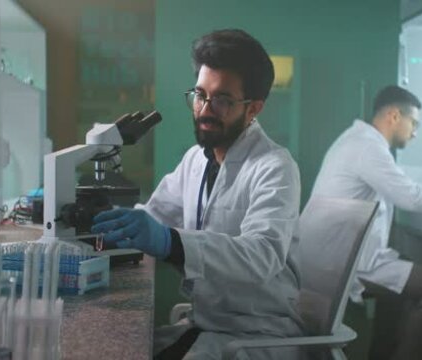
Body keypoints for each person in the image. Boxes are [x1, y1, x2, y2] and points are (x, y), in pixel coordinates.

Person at [91, 29, 303, 360]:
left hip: (257, 334)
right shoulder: (196, 159)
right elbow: (154, 216)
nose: (205, 109)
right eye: (200, 95)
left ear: (253, 109)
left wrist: (169, 242)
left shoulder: (275, 167)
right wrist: (101, 227)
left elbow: (262, 256)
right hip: (207, 325)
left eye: (222, 100)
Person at [309, 85, 422, 359]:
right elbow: (410, 196)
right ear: (393, 116)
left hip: (325, 258)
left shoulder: (355, 140)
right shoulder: (368, 147)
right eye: (413, 122)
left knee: (398, 287)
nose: (415, 131)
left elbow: (402, 186)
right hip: (339, 263)